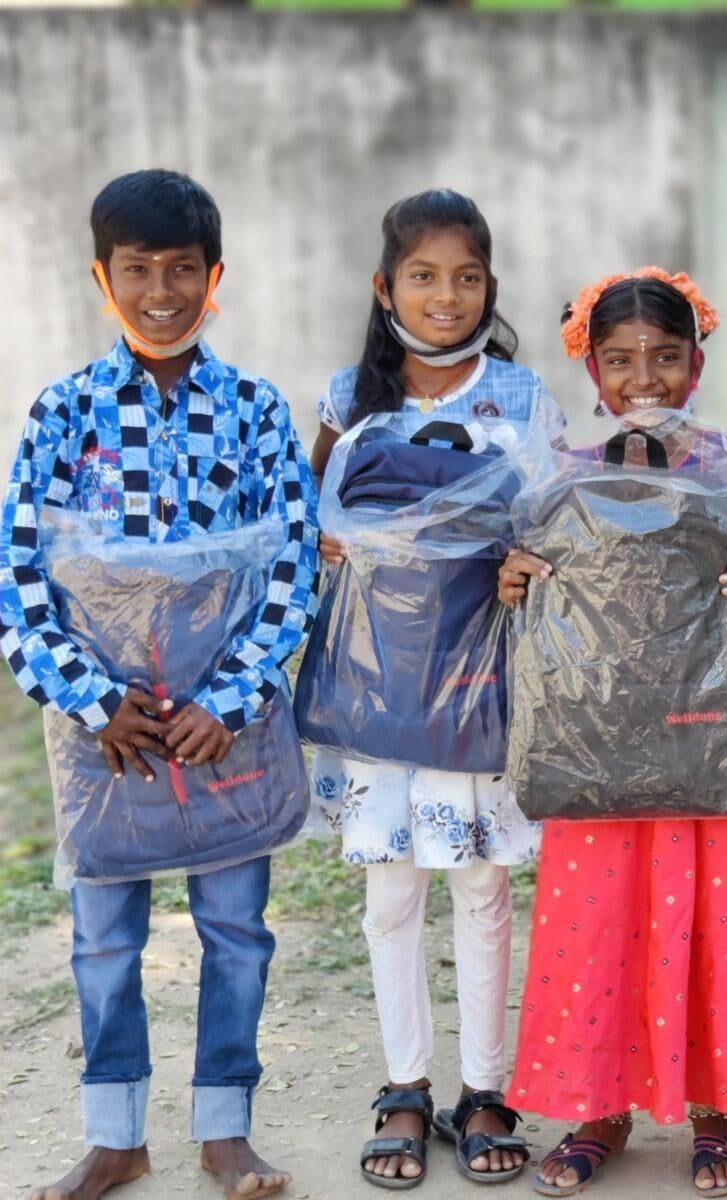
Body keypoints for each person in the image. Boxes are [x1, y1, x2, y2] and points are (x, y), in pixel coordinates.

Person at [1, 168, 319, 1200]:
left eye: (183, 268)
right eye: (137, 269)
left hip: (225, 734)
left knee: (236, 930)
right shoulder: (64, 413)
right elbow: (18, 577)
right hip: (111, 736)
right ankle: (116, 1136)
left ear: (213, 277)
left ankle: (226, 1131)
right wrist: (92, 701)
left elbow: (293, 566)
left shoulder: (257, 411)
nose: (161, 290)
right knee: (103, 938)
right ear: (104, 277)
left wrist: (231, 698)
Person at [500, 268, 727, 1199]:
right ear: (591, 372)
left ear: (696, 363)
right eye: (621, 359)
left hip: (713, 744)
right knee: (600, 925)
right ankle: (599, 1106)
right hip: (595, 752)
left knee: (721, 924)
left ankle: (718, 1107)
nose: (645, 378)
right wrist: (515, 581)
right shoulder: (560, 479)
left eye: (666, 358)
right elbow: (528, 596)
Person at [306, 189, 563, 1189]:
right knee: (390, 892)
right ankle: (405, 1088)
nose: (444, 296)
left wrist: (523, 563)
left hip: (480, 682)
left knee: (484, 886)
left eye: (465, 277)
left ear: (489, 288)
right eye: (422, 276)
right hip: (374, 687)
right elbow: (308, 515)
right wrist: (324, 539)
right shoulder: (348, 400)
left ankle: (484, 1090)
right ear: (384, 288)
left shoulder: (524, 399)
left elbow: (551, 526)